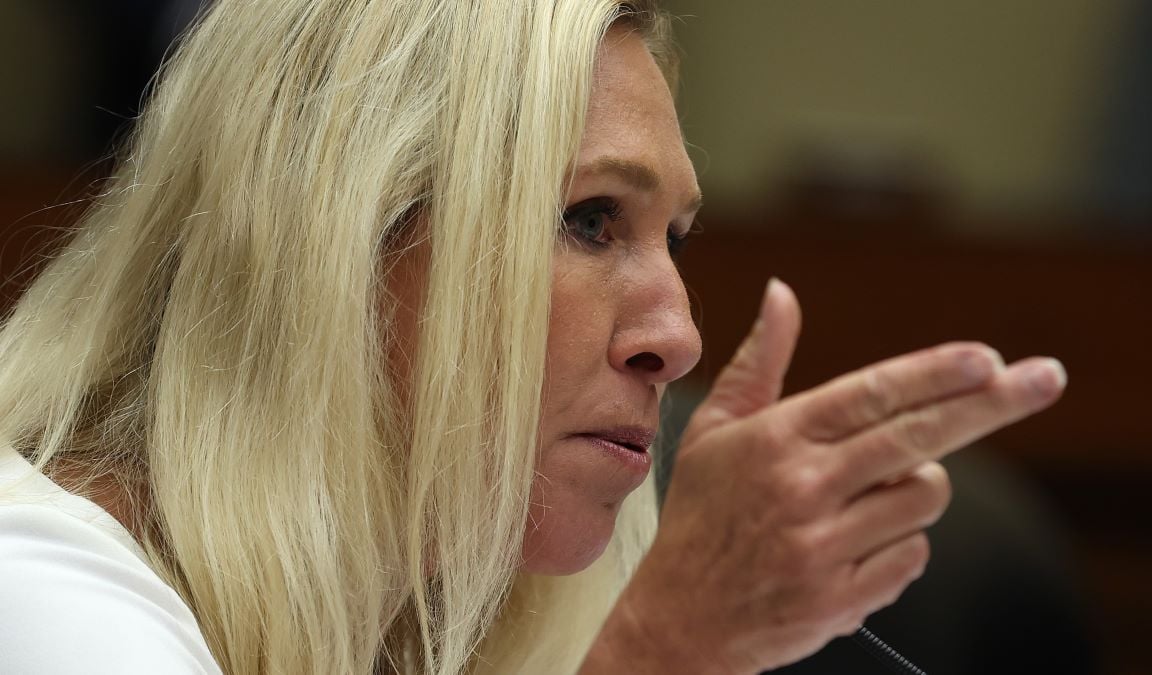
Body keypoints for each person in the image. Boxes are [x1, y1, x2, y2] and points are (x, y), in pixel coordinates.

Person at [0, 1, 1067, 673]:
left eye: (676, 243)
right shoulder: (37, 591)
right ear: (335, 245)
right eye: (590, 218)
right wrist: (663, 652)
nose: (681, 338)